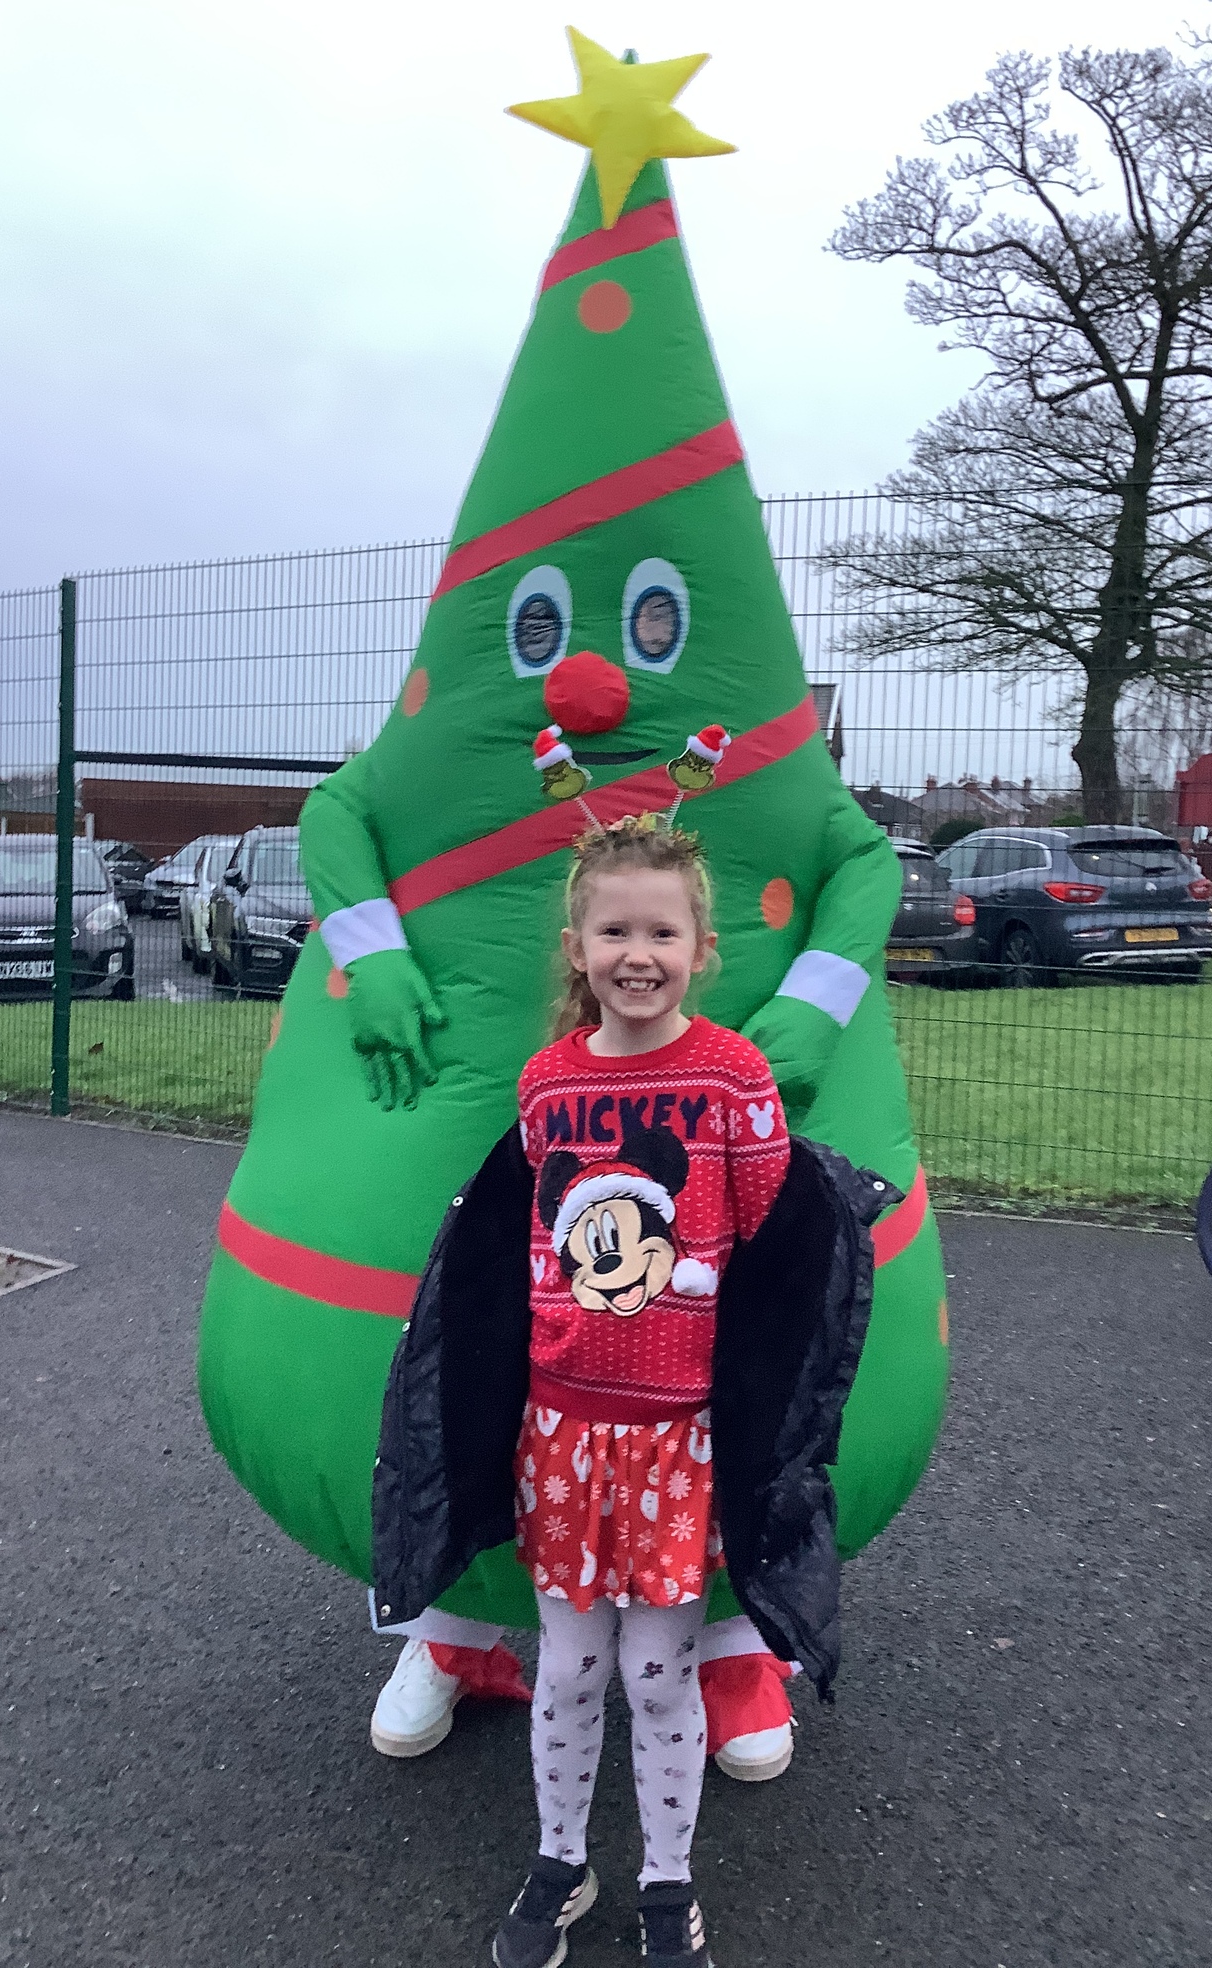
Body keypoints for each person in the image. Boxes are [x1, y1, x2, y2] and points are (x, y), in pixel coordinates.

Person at [371, 816, 888, 1967]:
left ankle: (668, 1883)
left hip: (677, 1446)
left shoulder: (734, 1075)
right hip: (562, 1437)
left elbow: (773, 1249)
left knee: (657, 1676)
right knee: (568, 1668)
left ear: (702, 948)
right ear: (577, 946)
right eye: (614, 930)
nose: (637, 952)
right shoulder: (546, 1083)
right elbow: (521, 1258)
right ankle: (560, 1862)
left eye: (662, 930)